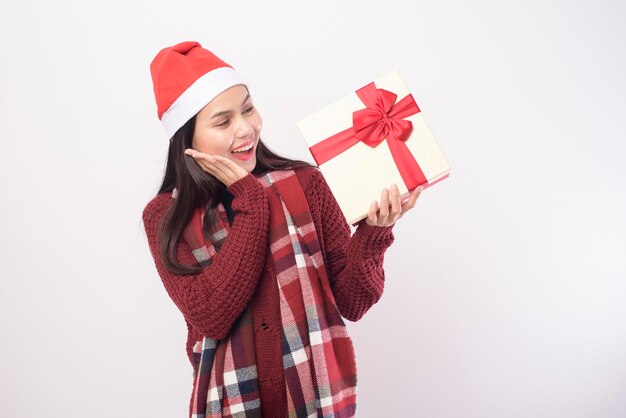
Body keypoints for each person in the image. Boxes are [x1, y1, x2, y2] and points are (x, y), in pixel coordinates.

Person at [142, 41, 423, 418]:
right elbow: (210, 316)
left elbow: (352, 302)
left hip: (317, 401)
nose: (245, 129)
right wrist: (251, 199)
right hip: (228, 406)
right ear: (186, 137)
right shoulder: (166, 215)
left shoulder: (305, 184)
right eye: (223, 122)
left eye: (248, 109)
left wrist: (374, 233)